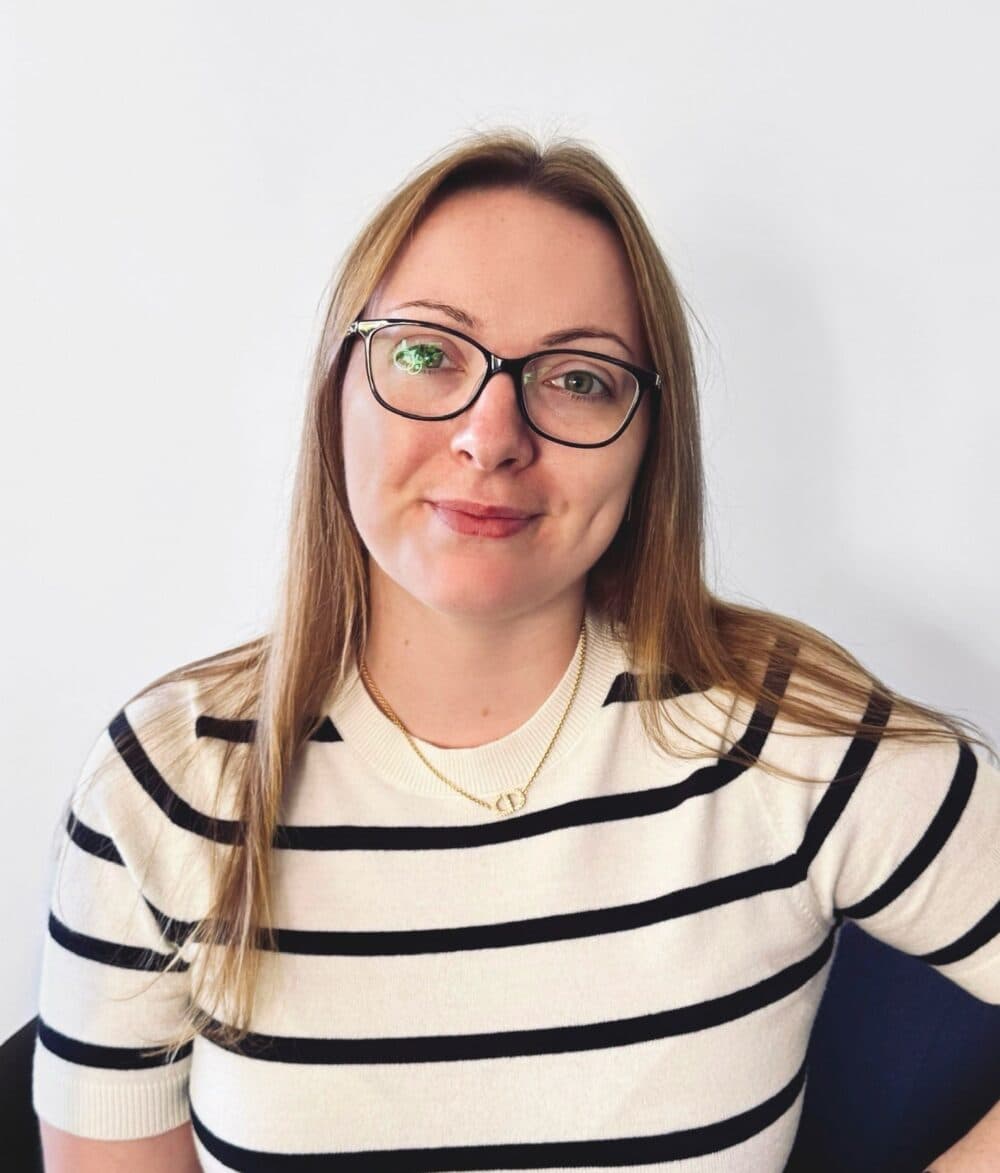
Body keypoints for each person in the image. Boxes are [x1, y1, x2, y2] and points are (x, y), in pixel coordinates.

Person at [32, 129, 1000, 1172]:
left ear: (649, 440)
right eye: (425, 354)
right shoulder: (168, 781)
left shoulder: (784, 742)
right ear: (335, 390)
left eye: (578, 378)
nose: (491, 436)